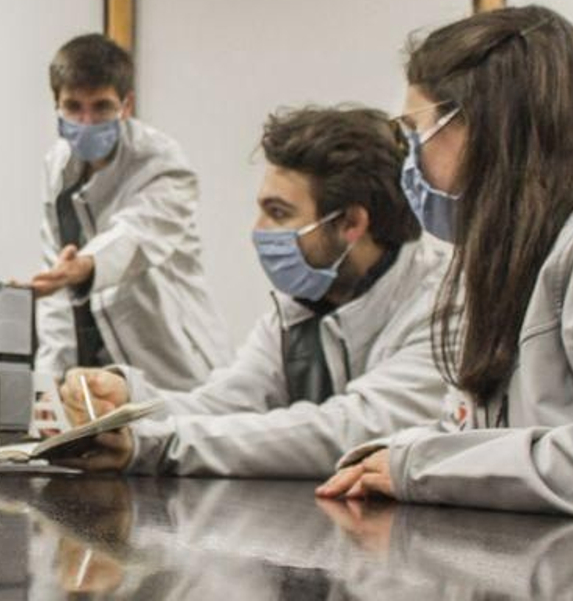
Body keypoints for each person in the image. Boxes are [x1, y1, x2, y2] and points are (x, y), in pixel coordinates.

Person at [319, 6, 573, 517]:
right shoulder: (505, 256)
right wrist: (402, 454)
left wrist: (424, 466)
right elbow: (480, 432)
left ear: (492, 129)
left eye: (416, 133)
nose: (409, 161)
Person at [55, 107, 450, 477]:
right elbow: (225, 405)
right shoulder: (303, 305)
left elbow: (350, 430)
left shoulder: (441, 305)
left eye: (278, 213)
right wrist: (126, 400)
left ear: (350, 223)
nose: (258, 229)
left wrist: (156, 444)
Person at [30, 34, 231, 389]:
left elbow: (135, 237)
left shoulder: (162, 161)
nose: (86, 121)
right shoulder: (57, 166)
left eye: (101, 107)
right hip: (100, 374)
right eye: (73, 106)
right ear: (56, 104)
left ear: (126, 105)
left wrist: (85, 266)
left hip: (176, 367)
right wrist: (47, 384)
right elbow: (56, 289)